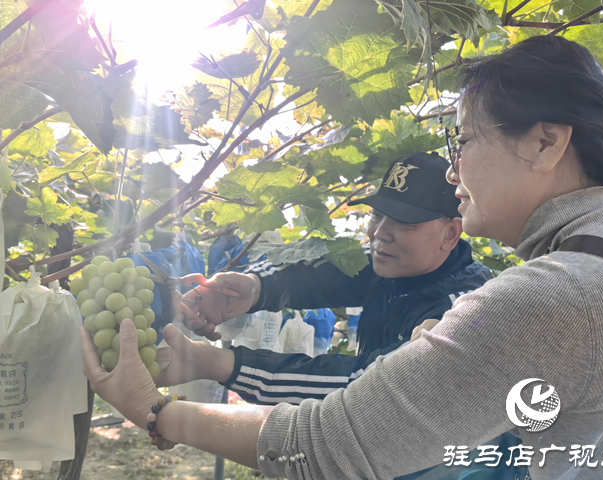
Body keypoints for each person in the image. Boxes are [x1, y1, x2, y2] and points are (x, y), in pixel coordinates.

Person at [81, 35, 603, 480]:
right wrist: (255, 288)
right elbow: (334, 276)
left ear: (546, 143)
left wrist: (155, 409)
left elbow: (330, 446)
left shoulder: (546, 296)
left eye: (463, 141)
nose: (455, 170)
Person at [157, 152, 523, 479]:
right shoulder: (397, 266)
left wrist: (220, 363)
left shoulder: (462, 310)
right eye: (378, 215)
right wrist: (252, 287)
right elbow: (317, 274)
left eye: (404, 223)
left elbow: (366, 391)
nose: (381, 234)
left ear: (451, 232)